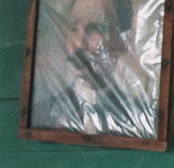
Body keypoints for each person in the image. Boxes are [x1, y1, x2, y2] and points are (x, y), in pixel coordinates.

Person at [31, 0, 158, 139]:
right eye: (73, 27)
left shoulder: (143, 114)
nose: (78, 44)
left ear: (122, 41)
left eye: (95, 29)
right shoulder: (48, 112)